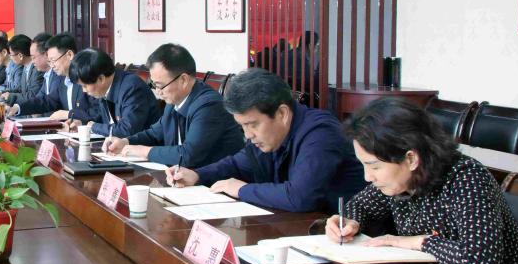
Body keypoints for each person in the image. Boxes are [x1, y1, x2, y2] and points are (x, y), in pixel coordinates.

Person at [325, 98, 518, 264]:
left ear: (411, 159)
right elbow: (362, 205)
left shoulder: (467, 178)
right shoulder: (398, 181)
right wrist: (349, 221)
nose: (367, 176)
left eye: (374, 166)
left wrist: (415, 242)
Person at [167, 68, 365, 212]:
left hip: (347, 238)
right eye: (243, 126)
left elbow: (300, 197)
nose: (248, 135)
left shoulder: (321, 133)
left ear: (282, 114)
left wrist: (241, 189)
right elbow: (237, 164)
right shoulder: (271, 136)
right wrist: (196, 175)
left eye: (252, 125)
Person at [104, 44, 243, 167]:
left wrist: (144, 151)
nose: (158, 92)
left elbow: (188, 155)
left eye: (160, 85)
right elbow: (155, 133)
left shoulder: (209, 106)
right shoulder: (174, 99)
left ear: (183, 80)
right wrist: (125, 142)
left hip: (215, 183)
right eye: (154, 85)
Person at [68, 48, 159, 138]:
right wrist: (83, 125)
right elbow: (102, 119)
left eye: (85, 86)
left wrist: (93, 127)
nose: (84, 90)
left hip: (145, 145)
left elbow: (127, 130)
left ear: (101, 79)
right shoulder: (105, 88)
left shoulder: (132, 88)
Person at [8, 33, 93, 121]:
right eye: (50, 61)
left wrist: (69, 114)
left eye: (53, 60)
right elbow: (48, 101)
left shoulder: (87, 77)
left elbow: (96, 113)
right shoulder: (63, 80)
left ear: (69, 55)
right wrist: (18, 108)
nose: (52, 66)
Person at [0, 34, 43, 101]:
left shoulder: (37, 69)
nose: (10, 58)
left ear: (20, 56)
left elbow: (33, 95)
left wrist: (10, 96)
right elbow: (20, 90)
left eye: (11, 55)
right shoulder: (25, 67)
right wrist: (2, 92)